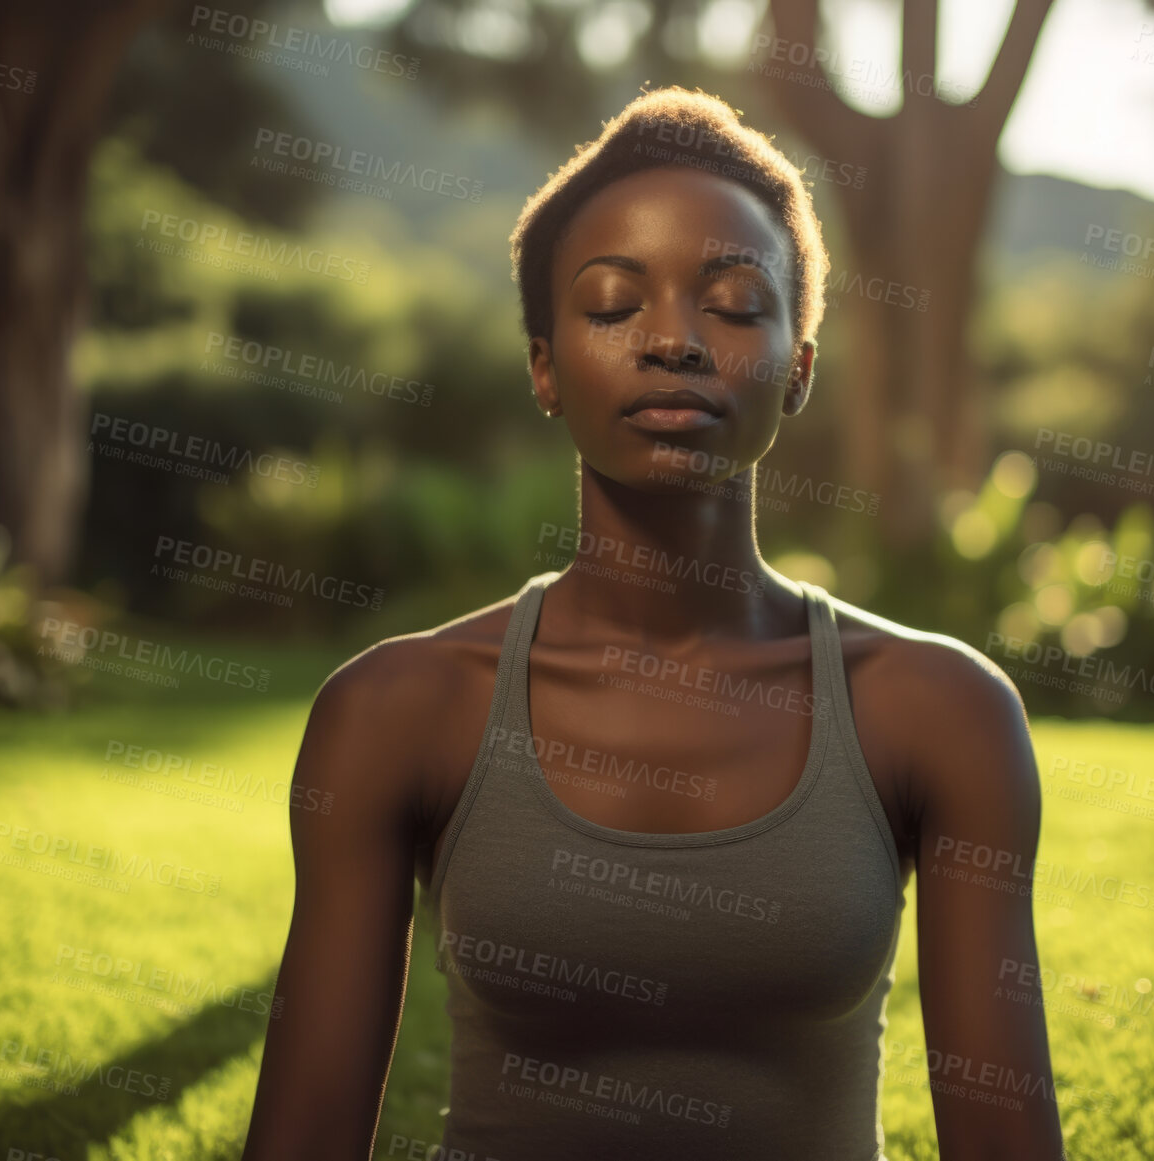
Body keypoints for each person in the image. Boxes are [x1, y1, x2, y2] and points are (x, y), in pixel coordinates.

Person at [241, 85, 1064, 1161]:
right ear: (544, 365)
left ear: (798, 367)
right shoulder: (396, 712)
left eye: (730, 304)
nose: (673, 340)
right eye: (613, 303)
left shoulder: (938, 713)